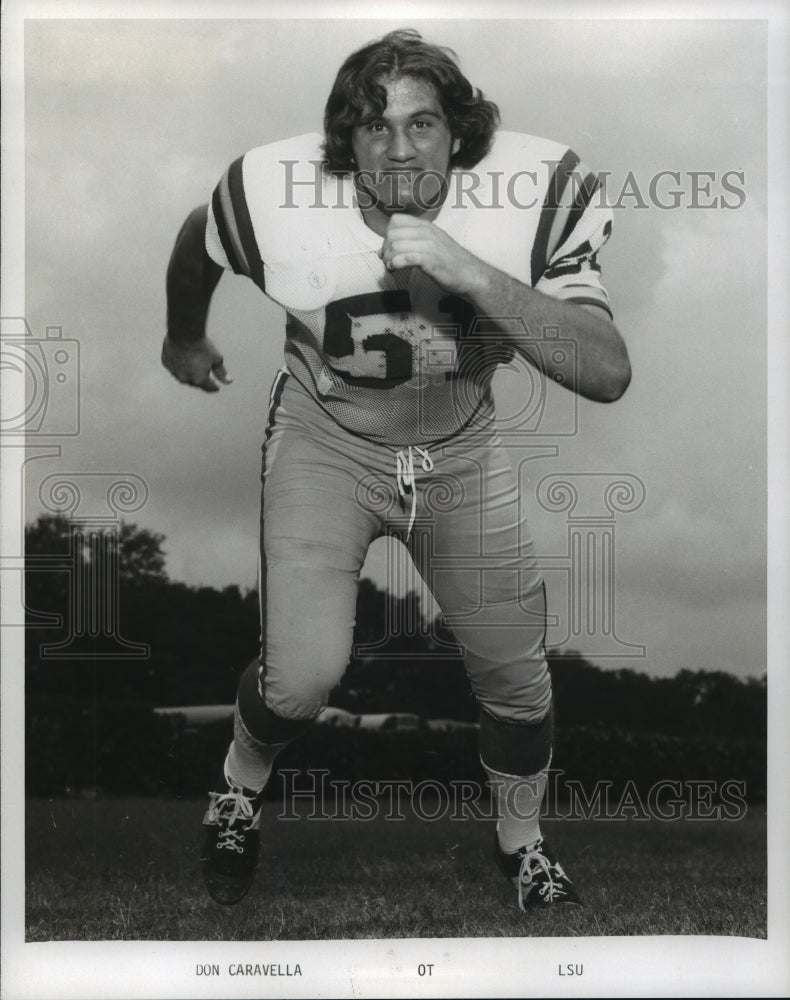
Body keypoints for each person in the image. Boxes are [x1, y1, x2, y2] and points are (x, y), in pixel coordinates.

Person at [162, 28, 630, 912]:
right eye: (374, 127)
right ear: (346, 142)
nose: (401, 147)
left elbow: (606, 370)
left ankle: (520, 841)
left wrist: (471, 272)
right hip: (328, 437)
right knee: (299, 682)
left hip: (460, 450)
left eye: (423, 123)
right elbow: (199, 238)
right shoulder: (274, 195)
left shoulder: (531, 198)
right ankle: (238, 785)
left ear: (461, 132)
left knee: (516, 677)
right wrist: (184, 333)